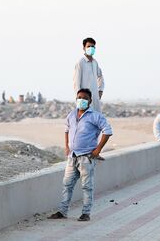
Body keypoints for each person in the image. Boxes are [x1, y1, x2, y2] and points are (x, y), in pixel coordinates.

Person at [48, 88, 112, 221]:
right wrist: (66, 147)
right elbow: (66, 130)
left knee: (87, 186)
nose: (81, 100)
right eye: (79, 98)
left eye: (84, 98)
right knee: (67, 184)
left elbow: (107, 131)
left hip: (86, 157)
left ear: (90, 101)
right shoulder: (71, 115)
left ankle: (86, 213)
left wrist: (98, 149)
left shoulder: (95, 116)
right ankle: (62, 211)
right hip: (72, 156)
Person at [73, 38, 105, 112]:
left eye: (93, 47)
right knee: (85, 120)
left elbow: (100, 76)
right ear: (84, 48)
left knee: (97, 119)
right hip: (84, 101)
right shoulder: (80, 63)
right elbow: (76, 83)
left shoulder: (95, 62)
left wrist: (100, 91)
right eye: (88, 46)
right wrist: (79, 100)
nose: (91, 48)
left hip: (95, 99)